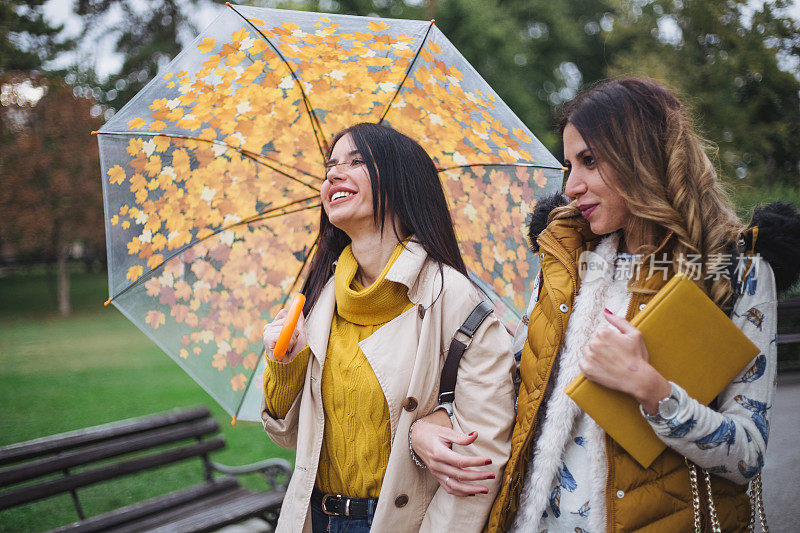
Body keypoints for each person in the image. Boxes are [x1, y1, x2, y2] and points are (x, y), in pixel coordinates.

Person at [410, 78, 800, 531]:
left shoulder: (735, 272)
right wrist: (431, 424)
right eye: (569, 165)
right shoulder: (565, 260)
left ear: (642, 155)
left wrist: (652, 390)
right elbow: (510, 393)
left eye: (589, 161)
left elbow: (748, 454)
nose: (572, 186)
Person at [260, 122, 516, 532]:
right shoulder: (319, 300)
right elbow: (287, 437)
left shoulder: (452, 300)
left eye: (357, 161)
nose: (333, 174)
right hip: (316, 520)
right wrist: (286, 363)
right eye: (331, 166)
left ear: (401, 183)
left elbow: (478, 462)